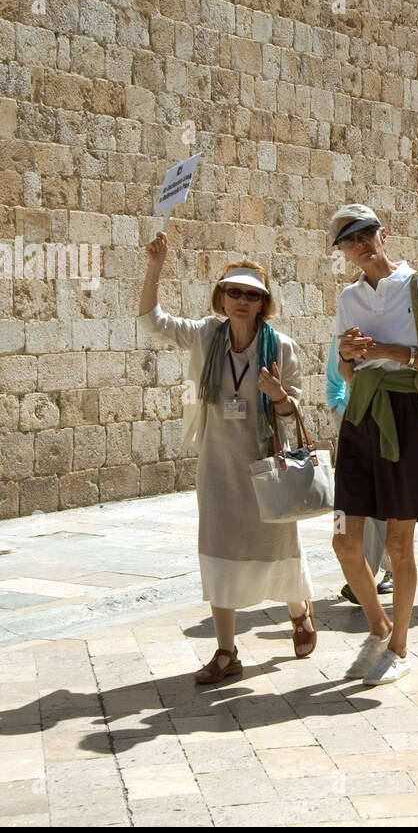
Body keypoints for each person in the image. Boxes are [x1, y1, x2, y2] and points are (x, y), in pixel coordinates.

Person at [138, 232, 316, 684]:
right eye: (234, 292)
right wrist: (155, 266)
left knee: (277, 547)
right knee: (218, 550)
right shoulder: (205, 335)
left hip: (265, 466)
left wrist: (278, 397)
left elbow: (292, 409)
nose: (241, 300)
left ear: (263, 304)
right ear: (222, 297)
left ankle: (300, 611)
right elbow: (150, 319)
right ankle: (226, 651)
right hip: (217, 466)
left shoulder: (282, 348)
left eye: (252, 295)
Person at [331, 204, 418, 684]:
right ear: (343, 252)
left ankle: (400, 647)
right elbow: (345, 371)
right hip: (360, 415)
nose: (361, 245)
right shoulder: (348, 297)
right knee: (345, 541)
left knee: (399, 542)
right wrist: (347, 355)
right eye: (350, 241)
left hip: (405, 416)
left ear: (384, 234)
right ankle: (380, 627)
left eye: (366, 235)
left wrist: (388, 351)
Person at [326, 333, 392, 604]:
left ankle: (374, 573)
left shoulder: (395, 330)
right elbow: (334, 382)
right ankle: (373, 572)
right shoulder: (343, 336)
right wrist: (342, 411)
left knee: (383, 502)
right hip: (353, 423)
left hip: (390, 421)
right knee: (361, 503)